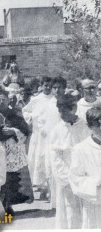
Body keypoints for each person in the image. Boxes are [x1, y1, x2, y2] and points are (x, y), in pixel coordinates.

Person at [0, 90, 33, 214]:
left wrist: (14, 131)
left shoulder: (16, 114)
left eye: (4, 99)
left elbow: (25, 130)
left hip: (13, 153)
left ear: (9, 100)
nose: (1, 102)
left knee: (11, 179)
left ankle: (8, 205)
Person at [50, 94, 90, 228]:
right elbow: (55, 158)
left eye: (64, 110)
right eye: (59, 111)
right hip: (67, 178)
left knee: (87, 212)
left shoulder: (86, 126)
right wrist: (65, 178)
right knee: (70, 212)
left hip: (86, 177)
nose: (61, 114)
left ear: (73, 108)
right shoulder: (57, 130)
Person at [69, 105, 101, 229]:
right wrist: (97, 183)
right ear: (89, 126)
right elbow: (76, 178)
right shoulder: (81, 149)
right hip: (96, 205)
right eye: (97, 125)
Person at [22, 76, 53, 199]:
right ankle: (42, 188)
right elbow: (25, 111)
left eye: (50, 86)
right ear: (41, 85)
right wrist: (34, 116)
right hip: (39, 135)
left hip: (51, 134)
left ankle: (51, 187)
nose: (48, 88)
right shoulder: (36, 99)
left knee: (50, 158)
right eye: (46, 85)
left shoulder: (55, 99)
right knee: (39, 159)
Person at [43, 76, 67, 208]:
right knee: (53, 170)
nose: (57, 90)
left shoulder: (69, 102)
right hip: (52, 142)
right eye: (54, 88)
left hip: (66, 140)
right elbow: (43, 123)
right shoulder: (48, 105)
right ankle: (56, 204)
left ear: (64, 88)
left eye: (60, 88)